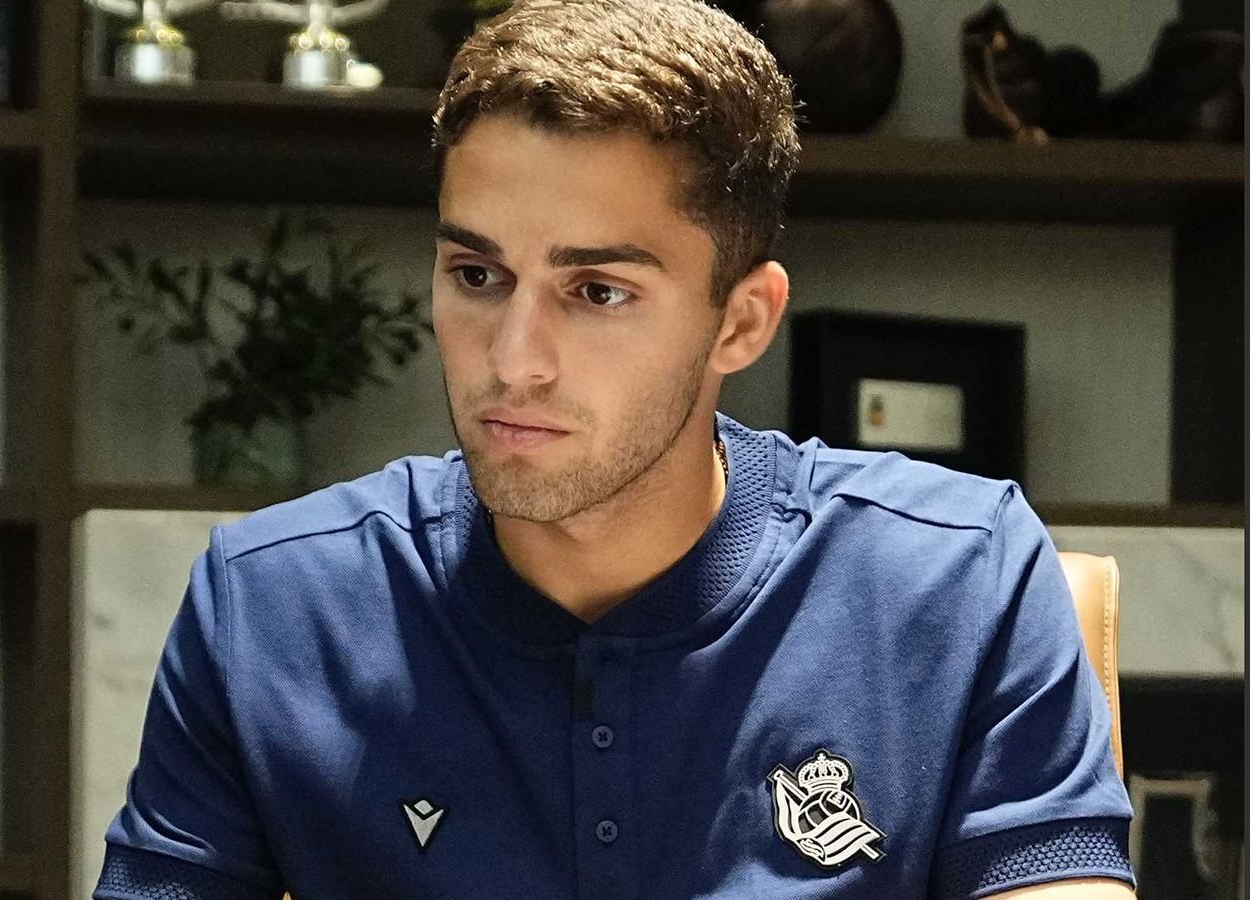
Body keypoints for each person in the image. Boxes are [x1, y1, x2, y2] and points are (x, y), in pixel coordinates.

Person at [93, 1, 1138, 897]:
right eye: (476, 276)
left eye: (597, 292)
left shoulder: (961, 579)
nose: (515, 360)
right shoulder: (269, 606)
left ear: (741, 322)